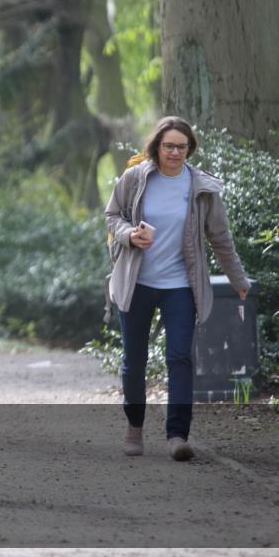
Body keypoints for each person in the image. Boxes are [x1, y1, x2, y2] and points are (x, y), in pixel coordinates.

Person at [105, 116, 249, 461]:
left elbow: (220, 238)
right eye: (168, 145)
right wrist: (130, 236)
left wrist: (238, 279)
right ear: (157, 146)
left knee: (180, 358)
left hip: (180, 286)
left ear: (190, 150)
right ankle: (134, 427)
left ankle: (177, 435)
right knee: (134, 361)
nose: (174, 152)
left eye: (181, 147)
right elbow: (112, 217)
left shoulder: (201, 188)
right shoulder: (135, 178)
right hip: (137, 282)